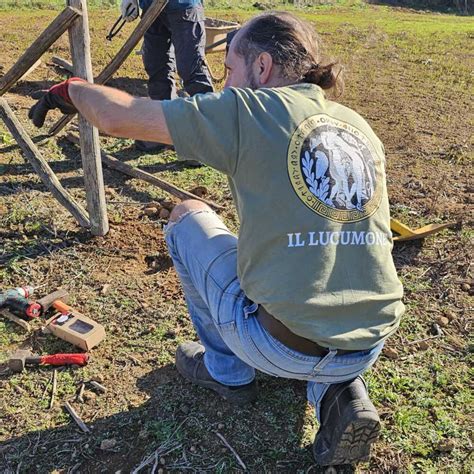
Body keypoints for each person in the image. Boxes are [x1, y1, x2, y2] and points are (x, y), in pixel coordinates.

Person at [29, 11, 405, 467]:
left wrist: (68, 89)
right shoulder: (356, 125)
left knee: (188, 216)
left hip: (280, 346)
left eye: (229, 69)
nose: (225, 84)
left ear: (261, 68)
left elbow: (116, 116)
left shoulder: (248, 108)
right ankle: (338, 391)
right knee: (321, 266)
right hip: (369, 343)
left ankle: (227, 370)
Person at [120, 0, 214, 151]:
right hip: (151, 8)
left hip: (183, 7)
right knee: (157, 67)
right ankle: (163, 133)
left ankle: (206, 140)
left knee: (191, 70)